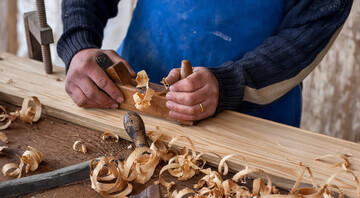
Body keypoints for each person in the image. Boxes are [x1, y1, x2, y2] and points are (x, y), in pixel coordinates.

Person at [57, 0, 353, 127]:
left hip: (251, 119)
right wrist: (80, 42)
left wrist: (230, 84)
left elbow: (310, 29)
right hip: (130, 99)